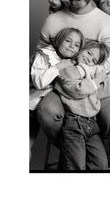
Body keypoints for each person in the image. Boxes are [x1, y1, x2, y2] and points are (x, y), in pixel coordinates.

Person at [35, 0, 110, 170]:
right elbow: (42, 56)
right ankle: (78, 156)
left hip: (97, 87)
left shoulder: (106, 23)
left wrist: (82, 80)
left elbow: (105, 67)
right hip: (61, 86)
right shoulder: (53, 20)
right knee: (46, 111)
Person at [55, 40, 110, 170]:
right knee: (76, 165)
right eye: (89, 53)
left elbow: (104, 92)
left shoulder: (90, 75)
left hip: (92, 124)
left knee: (101, 164)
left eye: (94, 60)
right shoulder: (68, 69)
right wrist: (97, 80)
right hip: (74, 123)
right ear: (82, 49)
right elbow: (78, 90)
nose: (89, 59)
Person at [29, 27, 84, 156]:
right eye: (68, 41)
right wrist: (58, 67)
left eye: (76, 45)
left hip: (39, 109)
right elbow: (39, 82)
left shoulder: (70, 62)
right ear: (59, 40)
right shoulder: (44, 54)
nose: (71, 46)